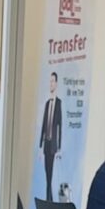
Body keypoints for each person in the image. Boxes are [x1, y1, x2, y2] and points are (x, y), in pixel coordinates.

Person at [39, 71, 63, 199]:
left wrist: (59, 148)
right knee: (46, 173)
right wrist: (40, 146)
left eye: (53, 81)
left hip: (53, 146)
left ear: (56, 83)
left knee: (50, 173)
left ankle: (49, 198)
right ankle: (49, 198)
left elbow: (60, 126)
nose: (51, 84)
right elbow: (44, 125)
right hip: (46, 144)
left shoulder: (58, 103)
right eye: (50, 81)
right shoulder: (47, 104)